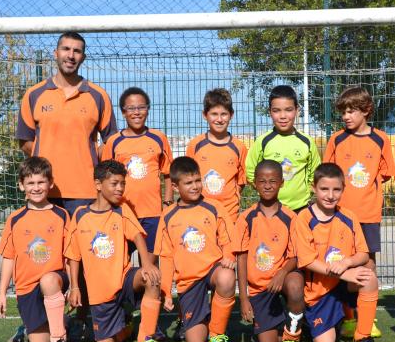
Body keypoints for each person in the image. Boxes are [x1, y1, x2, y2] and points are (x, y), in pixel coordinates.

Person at [14, 32, 117, 342]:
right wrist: (45, 167)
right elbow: (26, 141)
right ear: (56, 53)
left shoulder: (97, 96)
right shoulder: (34, 95)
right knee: (43, 257)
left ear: (83, 57)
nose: (71, 55)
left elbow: (110, 143)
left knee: (84, 260)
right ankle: (41, 322)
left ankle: (83, 319)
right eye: (66, 49)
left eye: (77, 51)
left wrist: (89, 168)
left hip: (85, 192)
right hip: (47, 195)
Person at [65, 160, 167, 342]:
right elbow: (73, 256)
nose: (120, 188)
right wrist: (75, 287)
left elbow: (137, 236)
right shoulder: (80, 215)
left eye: (123, 184)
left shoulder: (121, 210)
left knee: (152, 277)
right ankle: (127, 326)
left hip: (124, 279)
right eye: (114, 183)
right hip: (100, 293)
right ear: (98, 184)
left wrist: (147, 265)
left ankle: (146, 339)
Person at [293, 163, 389, 342]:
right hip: (319, 291)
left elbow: (363, 254)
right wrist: (345, 273)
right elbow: (308, 261)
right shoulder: (303, 218)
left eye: (336, 189)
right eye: (324, 189)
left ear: (344, 189)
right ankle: (318, 321)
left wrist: (346, 263)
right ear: (314, 188)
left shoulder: (349, 216)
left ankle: (363, 339)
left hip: (343, 283)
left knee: (368, 276)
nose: (330, 195)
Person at [323, 86, 393, 339]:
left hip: (368, 215)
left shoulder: (381, 139)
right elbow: (327, 174)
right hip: (341, 215)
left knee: (367, 264)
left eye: (351, 111)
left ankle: (367, 318)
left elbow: (385, 173)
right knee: (340, 262)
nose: (346, 117)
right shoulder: (336, 139)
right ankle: (349, 317)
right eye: (343, 112)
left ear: (366, 111)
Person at [155, 156, 237, 342]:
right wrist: (166, 292)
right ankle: (207, 316)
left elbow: (228, 238)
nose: (195, 186)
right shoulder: (168, 215)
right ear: (175, 187)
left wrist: (228, 256)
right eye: (188, 183)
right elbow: (166, 257)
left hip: (212, 269)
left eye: (198, 180)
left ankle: (217, 334)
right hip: (188, 280)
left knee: (226, 277)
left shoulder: (214, 207)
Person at [0, 157, 70, 342]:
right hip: (26, 286)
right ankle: (61, 321)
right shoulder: (15, 219)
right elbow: (9, 257)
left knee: (48, 280)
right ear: (21, 186)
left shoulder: (62, 215)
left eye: (41, 182)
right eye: (30, 183)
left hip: (55, 280)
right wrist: (2, 293)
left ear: (50, 183)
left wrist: (73, 286)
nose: (36, 188)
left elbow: (70, 254)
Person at [234, 160, 305, 342]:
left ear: (281, 183)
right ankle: (293, 319)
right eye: (262, 181)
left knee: (295, 284)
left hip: (282, 280)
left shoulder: (290, 217)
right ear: (254, 184)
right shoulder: (246, 218)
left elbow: (295, 255)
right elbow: (241, 258)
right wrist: (244, 298)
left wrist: (282, 273)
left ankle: (292, 336)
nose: (267, 186)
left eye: (273, 181)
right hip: (260, 288)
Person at [101, 87, 173, 255]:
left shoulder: (158, 138)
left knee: (149, 266)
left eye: (141, 107)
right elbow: (105, 178)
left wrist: (167, 203)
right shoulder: (113, 142)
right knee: (121, 262)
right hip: (122, 212)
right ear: (123, 112)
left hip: (152, 214)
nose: (137, 112)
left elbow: (168, 173)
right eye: (131, 108)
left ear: (148, 109)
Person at [245, 85, 321, 212]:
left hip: (300, 208)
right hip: (270, 208)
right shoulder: (263, 142)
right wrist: (264, 191)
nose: (283, 116)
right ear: (270, 112)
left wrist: (305, 194)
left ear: (297, 110)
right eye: (276, 110)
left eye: (288, 110)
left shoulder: (306, 142)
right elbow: (250, 171)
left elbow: (315, 173)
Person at [185, 88, 248, 220]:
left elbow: (241, 182)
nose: (219, 119)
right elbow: (187, 178)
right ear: (205, 115)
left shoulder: (239, 147)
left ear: (231, 115)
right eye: (214, 114)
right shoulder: (195, 145)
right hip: (200, 215)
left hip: (230, 216)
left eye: (224, 114)